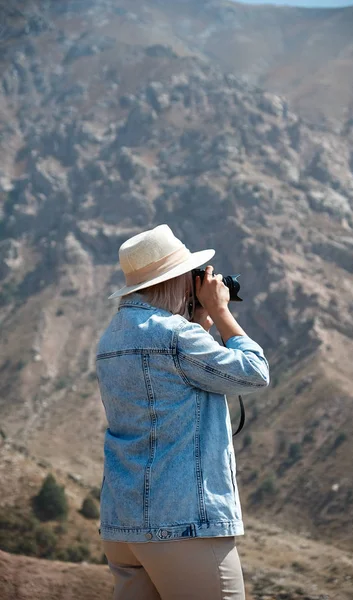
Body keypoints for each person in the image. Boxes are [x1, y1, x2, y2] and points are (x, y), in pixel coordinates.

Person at [96, 224, 270, 600]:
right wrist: (221, 313)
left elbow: (165, 387)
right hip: (183, 524)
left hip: (123, 526)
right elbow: (255, 375)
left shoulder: (110, 338)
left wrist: (198, 325)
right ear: (177, 281)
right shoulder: (175, 336)